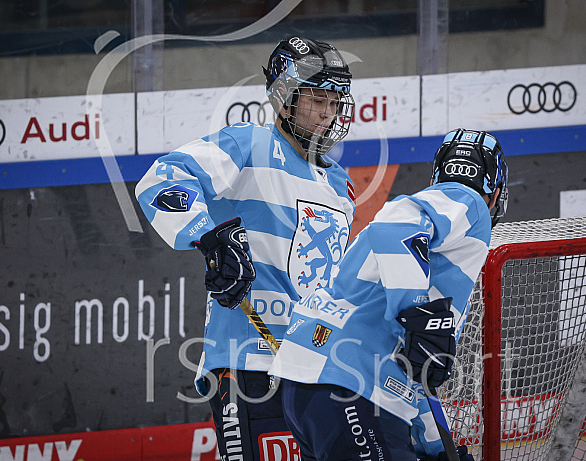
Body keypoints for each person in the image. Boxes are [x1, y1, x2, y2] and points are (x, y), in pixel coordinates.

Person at [135, 36, 356, 459]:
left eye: (335, 102)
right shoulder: (249, 144)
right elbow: (162, 179)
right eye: (317, 99)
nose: (328, 113)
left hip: (313, 367)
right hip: (246, 360)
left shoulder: (340, 186)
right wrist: (208, 236)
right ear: (285, 96)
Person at [268, 128, 509, 461]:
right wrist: (419, 314)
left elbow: (415, 366)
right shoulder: (470, 206)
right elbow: (395, 222)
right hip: (352, 383)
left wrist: (437, 448)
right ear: (496, 194)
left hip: (308, 384)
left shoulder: (420, 252)